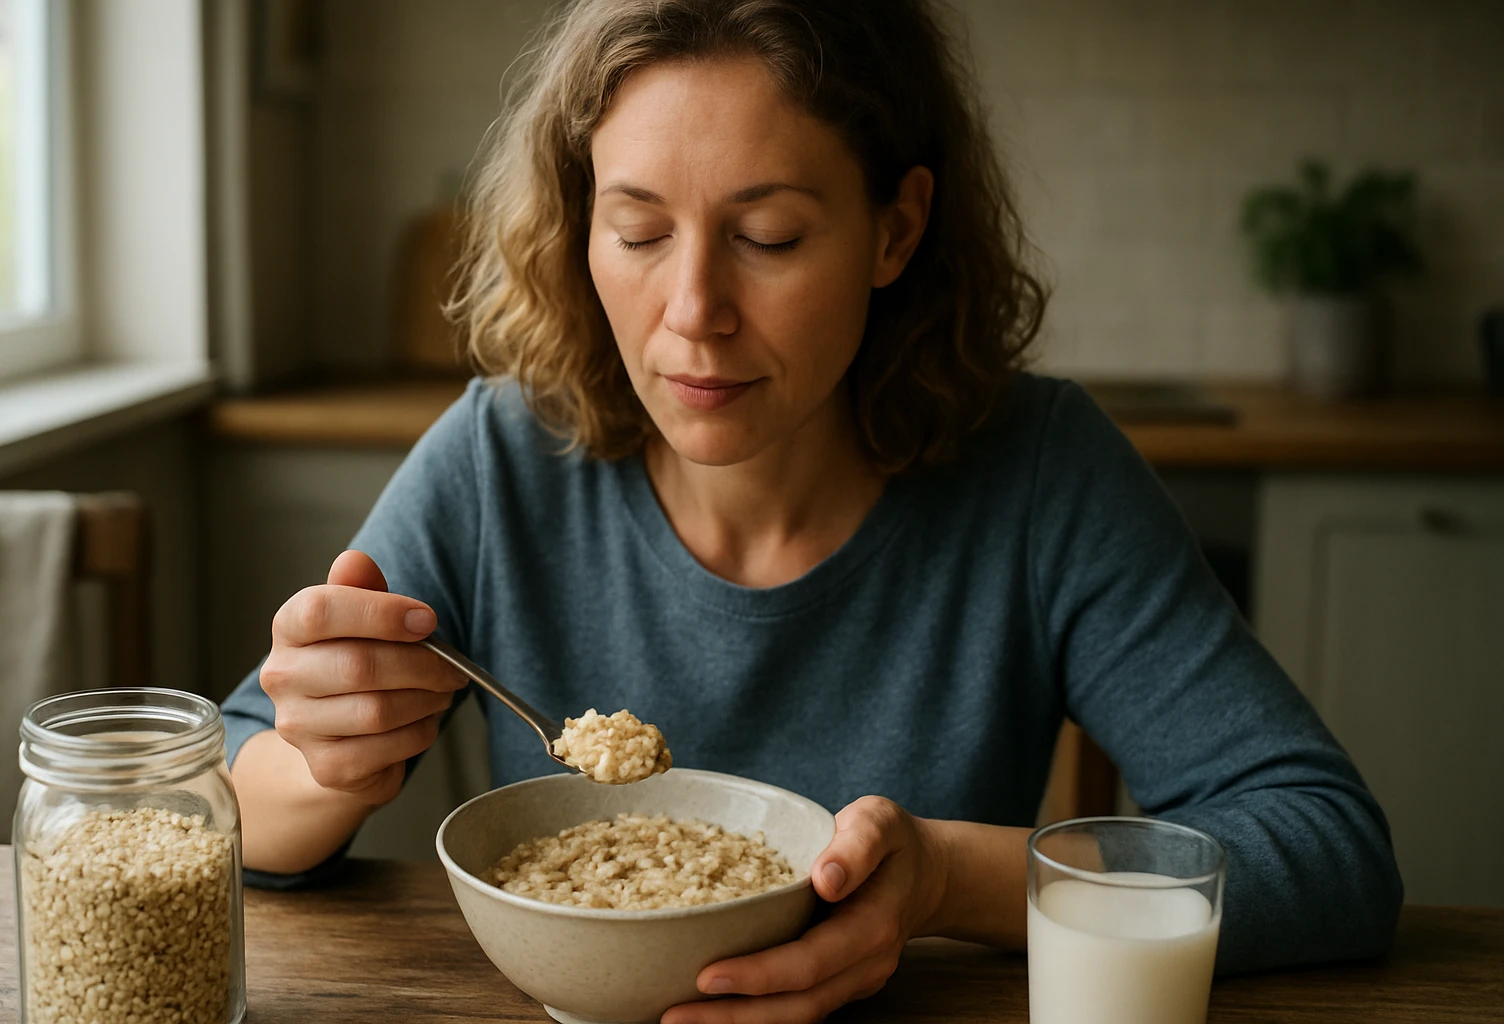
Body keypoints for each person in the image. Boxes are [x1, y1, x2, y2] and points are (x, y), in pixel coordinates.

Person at [222, 1, 1403, 1020]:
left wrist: (942, 879)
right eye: (636, 230)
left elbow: (1331, 850)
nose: (692, 309)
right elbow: (216, 795)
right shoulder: (499, 459)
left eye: (767, 237)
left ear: (895, 228)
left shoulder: (1041, 476)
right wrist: (326, 761)